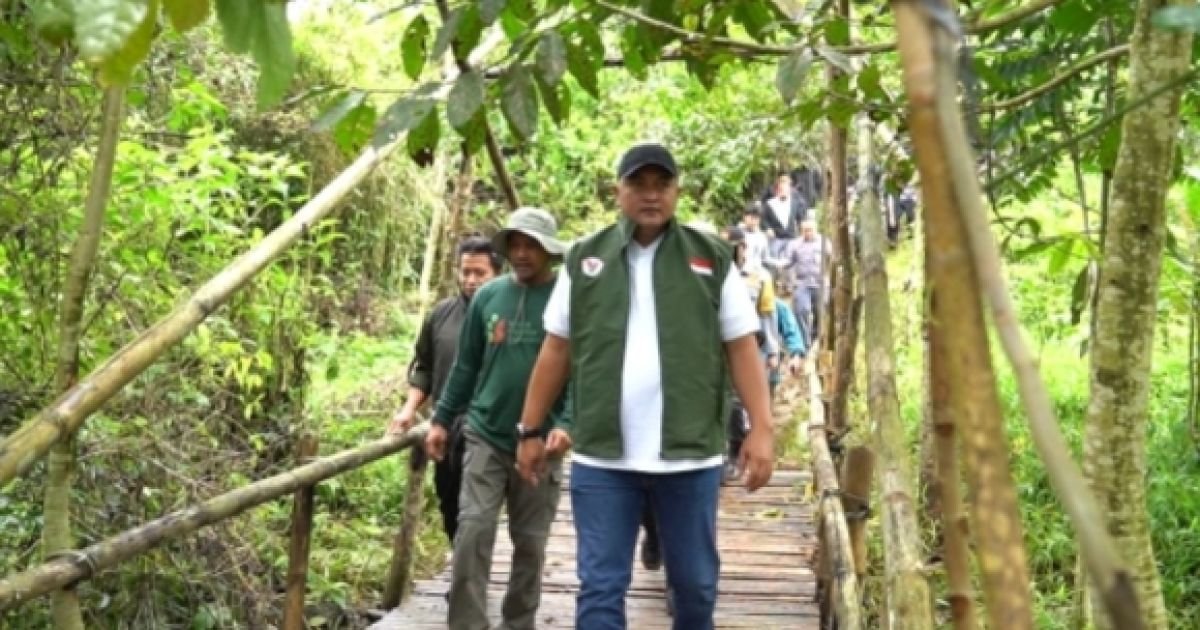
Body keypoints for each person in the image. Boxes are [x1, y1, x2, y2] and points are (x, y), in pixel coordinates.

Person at [515, 141, 775, 630]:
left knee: (696, 589)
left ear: (677, 192)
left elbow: (741, 346)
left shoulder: (710, 258)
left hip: (689, 456)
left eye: (662, 184)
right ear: (619, 191)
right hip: (603, 458)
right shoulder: (585, 259)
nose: (651, 194)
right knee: (599, 590)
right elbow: (556, 349)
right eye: (639, 184)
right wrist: (529, 430)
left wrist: (762, 428)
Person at [426, 207, 573, 630]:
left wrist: (567, 423)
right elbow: (466, 366)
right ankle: (467, 624)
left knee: (530, 542)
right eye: (516, 245)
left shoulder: (568, 299)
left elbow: (582, 371)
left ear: (549, 250)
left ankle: (518, 622)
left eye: (532, 246)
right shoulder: (489, 297)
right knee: (472, 530)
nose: (522, 254)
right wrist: (440, 420)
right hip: (485, 433)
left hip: (541, 443)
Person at [386, 236, 502, 545]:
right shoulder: (441, 315)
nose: (471, 280)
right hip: (447, 428)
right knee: (451, 507)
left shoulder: (509, 315)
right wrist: (409, 409)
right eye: (466, 272)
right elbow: (424, 367)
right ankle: (462, 561)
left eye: (480, 273)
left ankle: (472, 568)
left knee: (477, 512)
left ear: (497, 273)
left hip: (490, 430)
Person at [724, 226, 778, 481]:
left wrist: (772, 350)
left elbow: (768, 315)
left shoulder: (759, 277)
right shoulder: (705, 271)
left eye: (734, 246)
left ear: (743, 248)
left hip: (748, 347)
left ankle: (736, 453)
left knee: (738, 403)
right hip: (715, 351)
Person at [783, 219, 829, 348]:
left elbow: (832, 260)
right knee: (801, 310)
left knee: (820, 312)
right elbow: (788, 262)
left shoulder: (824, 242)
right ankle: (805, 341)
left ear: (815, 229)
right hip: (802, 282)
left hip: (820, 282)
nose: (807, 233)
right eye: (804, 230)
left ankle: (816, 340)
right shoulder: (794, 244)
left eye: (810, 230)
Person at [759, 173, 808, 258]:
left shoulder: (795, 203)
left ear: (790, 189)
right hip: (775, 239)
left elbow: (801, 218)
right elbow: (763, 220)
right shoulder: (769, 204)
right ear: (777, 190)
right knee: (774, 258)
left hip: (791, 238)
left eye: (785, 189)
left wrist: (802, 230)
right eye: (780, 189)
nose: (783, 191)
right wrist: (768, 228)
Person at [739, 204, 771, 272]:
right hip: (738, 271)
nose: (753, 221)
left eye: (756, 218)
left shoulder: (762, 237)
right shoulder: (736, 233)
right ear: (744, 217)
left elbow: (766, 258)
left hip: (756, 271)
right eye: (751, 217)